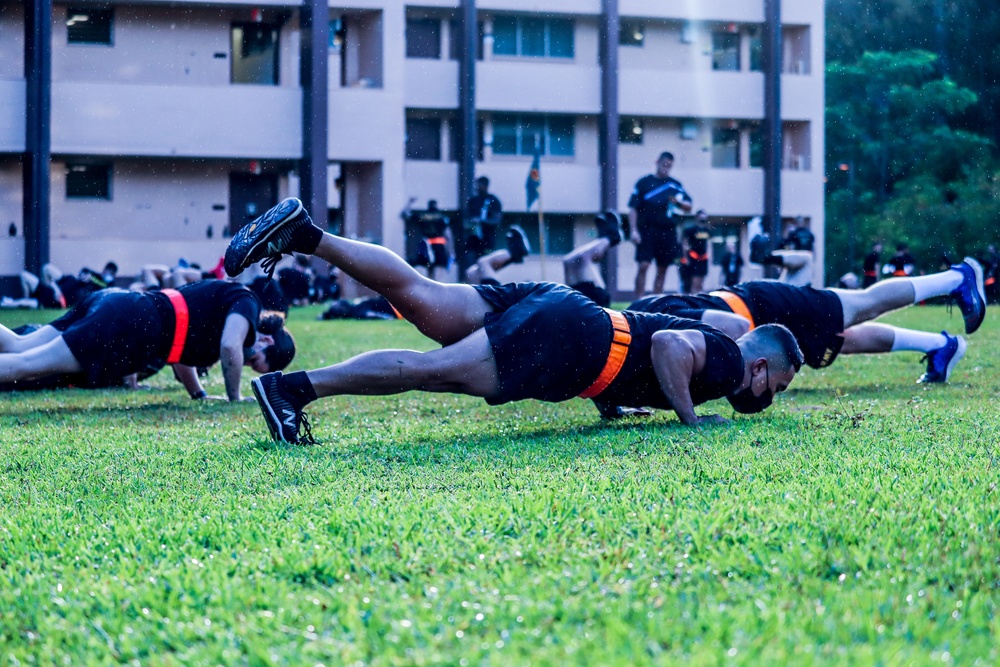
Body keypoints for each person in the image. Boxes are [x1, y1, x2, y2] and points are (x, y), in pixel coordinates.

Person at [223, 198, 804, 443]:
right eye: (772, 387)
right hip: (575, 341)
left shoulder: (726, 354)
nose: (765, 398)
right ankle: (290, 389)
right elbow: (670, 347)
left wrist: (613, 401)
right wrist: (689, 423)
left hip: (571, 316)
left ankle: (304, 234)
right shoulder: (729, 363)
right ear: (759, 363)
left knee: (420, 295)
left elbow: (645, 340)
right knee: (435, 370)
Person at [629, 257, 986, 384]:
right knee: (845, 341)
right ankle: (942, 346)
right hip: (761, 316)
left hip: (762, 306)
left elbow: (730, 326)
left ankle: (956, 279)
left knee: (862, 304)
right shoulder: (640, 322)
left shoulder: (654, 314)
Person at [0, 280, 296, 399]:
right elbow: (230, 346)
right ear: (267, 341)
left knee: (19, 346)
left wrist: (199, 395)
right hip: (127, 321)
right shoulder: (248, 302)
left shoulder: (218, 309)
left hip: (119, 302)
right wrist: (235, 399)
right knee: (26, 365)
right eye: (254, 361)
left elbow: (180, 350)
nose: (245, 362)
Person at [629, 151, 693, 298]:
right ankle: (638, 301)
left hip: (668, 230)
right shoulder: (644, 183)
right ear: (657, 162)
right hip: (647, 229)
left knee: (662, 267)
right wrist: (634, 230)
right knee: (643, 265)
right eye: (664, 164)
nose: (666, 167)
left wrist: (678, 203)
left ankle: (654, 302)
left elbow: (689, 205)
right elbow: (633, 207)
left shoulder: (675, 185)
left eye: (669, 166)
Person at [401, 198, 453, 281]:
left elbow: (405, 214)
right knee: (438, 269)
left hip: (427, 245)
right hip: (438, 245)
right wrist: (450, 251)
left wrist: (409, 203)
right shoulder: (441, 216)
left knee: (428, 266)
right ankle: (435, 287)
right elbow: (447, 234)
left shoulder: (423, 215)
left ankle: (429, 285)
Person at [464, 177, 503, 258]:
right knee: (471, 264)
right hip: (473, 239)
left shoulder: (493, 200)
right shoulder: (473, 201)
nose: (477, 187)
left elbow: (496, 220)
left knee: (486, 262)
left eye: (479, 185)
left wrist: (481, 221)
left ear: (485, 186)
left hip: (487, 239)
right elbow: (467, 220)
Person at [679, 210, 712, 294]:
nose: (703, 219)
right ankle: (693, 299)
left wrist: (710, 258)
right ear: (697, 217)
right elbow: (685, 244)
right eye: (701, 217)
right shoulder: (690, 230)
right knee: (694, 282)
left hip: (703, 258)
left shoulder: (707, 230)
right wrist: (686, 258)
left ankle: (699, 299)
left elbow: (708, 244)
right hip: (693, 258)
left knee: (701, 282)